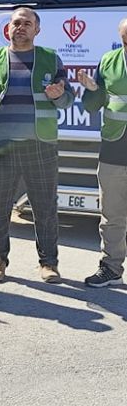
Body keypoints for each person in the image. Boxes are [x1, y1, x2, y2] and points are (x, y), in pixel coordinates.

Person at [0, 6, 74, 284]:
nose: (21, 27)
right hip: (2, 144)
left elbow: (68, 99)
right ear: (9, 28)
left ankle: (48, 263)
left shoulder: (51, 59)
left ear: (37, 30)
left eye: (27, 23)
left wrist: (57, 95)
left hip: (40, 144)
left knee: (45, 208)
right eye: (16, 22)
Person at [80, 18, 127, 287]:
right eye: (126, 40)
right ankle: (111, 268)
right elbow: (92, 106)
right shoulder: (108, 61)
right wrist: (93, 90)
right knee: (112, 216)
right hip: (114, 150)